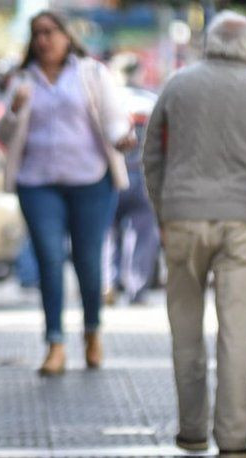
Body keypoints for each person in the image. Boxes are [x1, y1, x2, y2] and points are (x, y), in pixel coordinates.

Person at [143, 11, 246, 455]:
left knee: (185, 333)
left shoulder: (177, 84)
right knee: (237, 338)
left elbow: (152, 156)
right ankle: (233, 439)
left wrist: (164, 213)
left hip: (183, 219)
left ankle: (191, 432)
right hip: (243, 223)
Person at [0, 10, 134, 375]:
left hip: (91, 181)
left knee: (88, 261)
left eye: (50, 32)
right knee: (50, 260)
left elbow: (113, 115)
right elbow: (4, 134)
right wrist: (14, 110)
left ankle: (92, 332)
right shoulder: (22, 80)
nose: (43, 40)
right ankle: (54, 343)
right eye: (37, 33)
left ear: (67, 35)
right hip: (37, 183)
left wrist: (121, 136)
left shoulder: (91, 72)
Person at [102, 54, 160, 306]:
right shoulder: (151, 101)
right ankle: (137, 289)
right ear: (138, 73)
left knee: (107, 233)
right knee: (142, 234)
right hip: (144, 175)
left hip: (111, 175)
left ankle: (108, 284)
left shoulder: (107, 102)